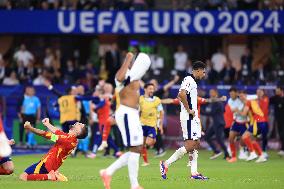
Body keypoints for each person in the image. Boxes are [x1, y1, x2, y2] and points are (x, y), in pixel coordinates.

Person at [100, 52, 151, 189]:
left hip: (133, 114)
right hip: (127, 113)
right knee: (135, 148)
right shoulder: (126, 75)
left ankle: (107, 172)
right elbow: (118, 77)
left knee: (138, 148)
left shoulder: (135, 76)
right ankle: (134, 185)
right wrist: (128, 58)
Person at [160, 61, 208, 180]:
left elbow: (180, 95)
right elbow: (181, 94)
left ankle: (194, 173)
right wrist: (189, 109)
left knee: (195, 144)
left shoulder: (192, 82)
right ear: (198, 70)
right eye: (204, 71)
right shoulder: (188, 79)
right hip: (189, 116)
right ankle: (166, 164)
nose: (204, 74)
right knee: (191, 144)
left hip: (193, 116)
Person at [19, 118, 87, 181]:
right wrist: (47, 124)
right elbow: (56, 131)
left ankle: (50, 176)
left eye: (80, 125)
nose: (78, 122)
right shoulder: (70, 138)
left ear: (78, 132)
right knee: (25, 174)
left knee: (23, 177)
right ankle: (55, 174)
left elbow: (45, 134)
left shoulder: (67, 140)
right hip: (50, 164)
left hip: (47, 164)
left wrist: (30, 128)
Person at [202, 88, 230, 160]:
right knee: (207, 137)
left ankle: (226, 154)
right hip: (215, 123)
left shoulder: (217, 103)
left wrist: (201, 112)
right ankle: (217, 151)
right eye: (210, 92)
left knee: (219, 139)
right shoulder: (214, 102)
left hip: (219, 123)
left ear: (216, 93)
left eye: (212, 92)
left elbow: (212, 113)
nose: (210, 94)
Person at [140, 83, 164, 166]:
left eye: (153, 89)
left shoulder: (156, 100)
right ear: (145, 89)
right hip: (142, 125)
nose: (152, 90)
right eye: (150, 88)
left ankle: (151, 143)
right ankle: (146, 161)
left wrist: (160, 125)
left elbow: (161, 112)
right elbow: (137, 111)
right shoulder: (141, 99)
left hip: (152, 125)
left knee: (149, 142)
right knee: (143, 144)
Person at [270, 86, 284, 156]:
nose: (276, 91)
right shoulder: (275, 98)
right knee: (281, 135)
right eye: (275, 90)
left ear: (281, 91)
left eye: (277, 90)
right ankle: (282, 149)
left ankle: (282, 149)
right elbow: (267, 100)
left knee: (282, 134)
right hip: (278, 120)